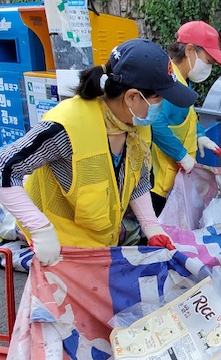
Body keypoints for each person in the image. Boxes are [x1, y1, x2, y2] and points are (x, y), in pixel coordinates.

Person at [0, 38, 198, 265]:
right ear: (132, 97)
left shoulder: (137, 125)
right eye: (159, 99)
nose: (161, 106)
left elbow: (138, 180)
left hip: (100, 249)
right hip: (59, 252)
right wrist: (39, 229)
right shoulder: (68, 126)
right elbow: (5, 167)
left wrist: (152, 227)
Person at [150, 20, 221, 215]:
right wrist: (181, 155)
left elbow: (186, 116)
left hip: (173, 180)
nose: (208, 67)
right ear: (189, 50)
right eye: (208, 61)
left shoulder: (181, 80)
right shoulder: (169, 83)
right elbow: (156, 124)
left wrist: (200, 135)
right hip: (159, 185)